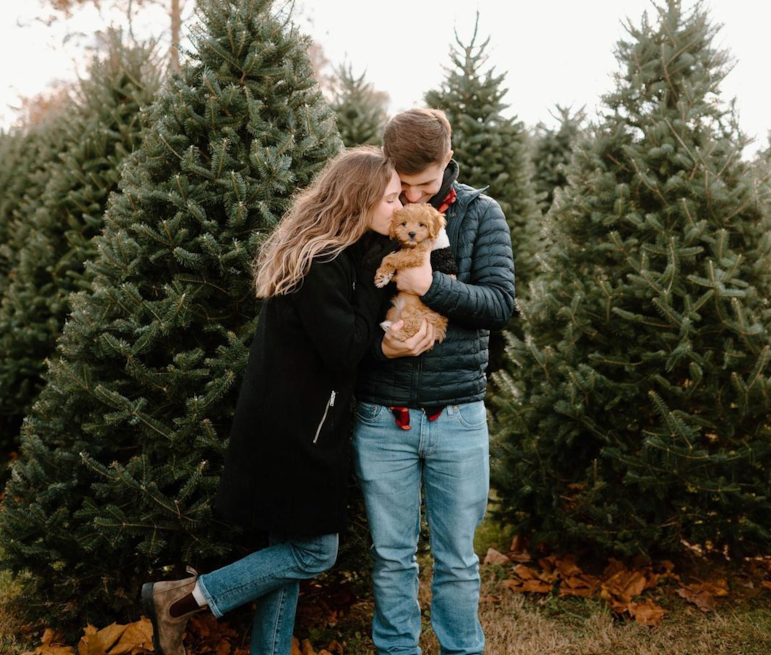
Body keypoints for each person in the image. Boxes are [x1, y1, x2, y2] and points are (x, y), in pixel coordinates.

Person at [142, 147, 426, 655]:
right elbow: (346, 348)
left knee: (288, 549)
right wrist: (375, 301)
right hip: (300, 431)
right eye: (388, 198)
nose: (399, 206)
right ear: (359, 201)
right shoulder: (325, 261)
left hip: (298, 422)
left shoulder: (330, 253)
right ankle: (184, 598)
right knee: (315, 553)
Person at [353, 108, 515, 655]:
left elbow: (500, 304)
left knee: (457, 559)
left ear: (448, 159)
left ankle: (461, 648)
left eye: (426, 184)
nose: (413, 199)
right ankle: (396, 649)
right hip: (383, 414)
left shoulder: (481, 214)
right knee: (392, 555)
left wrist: (431, 284)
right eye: (404, 186)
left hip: (458, 415)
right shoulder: (375, 212)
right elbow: (348, 304)